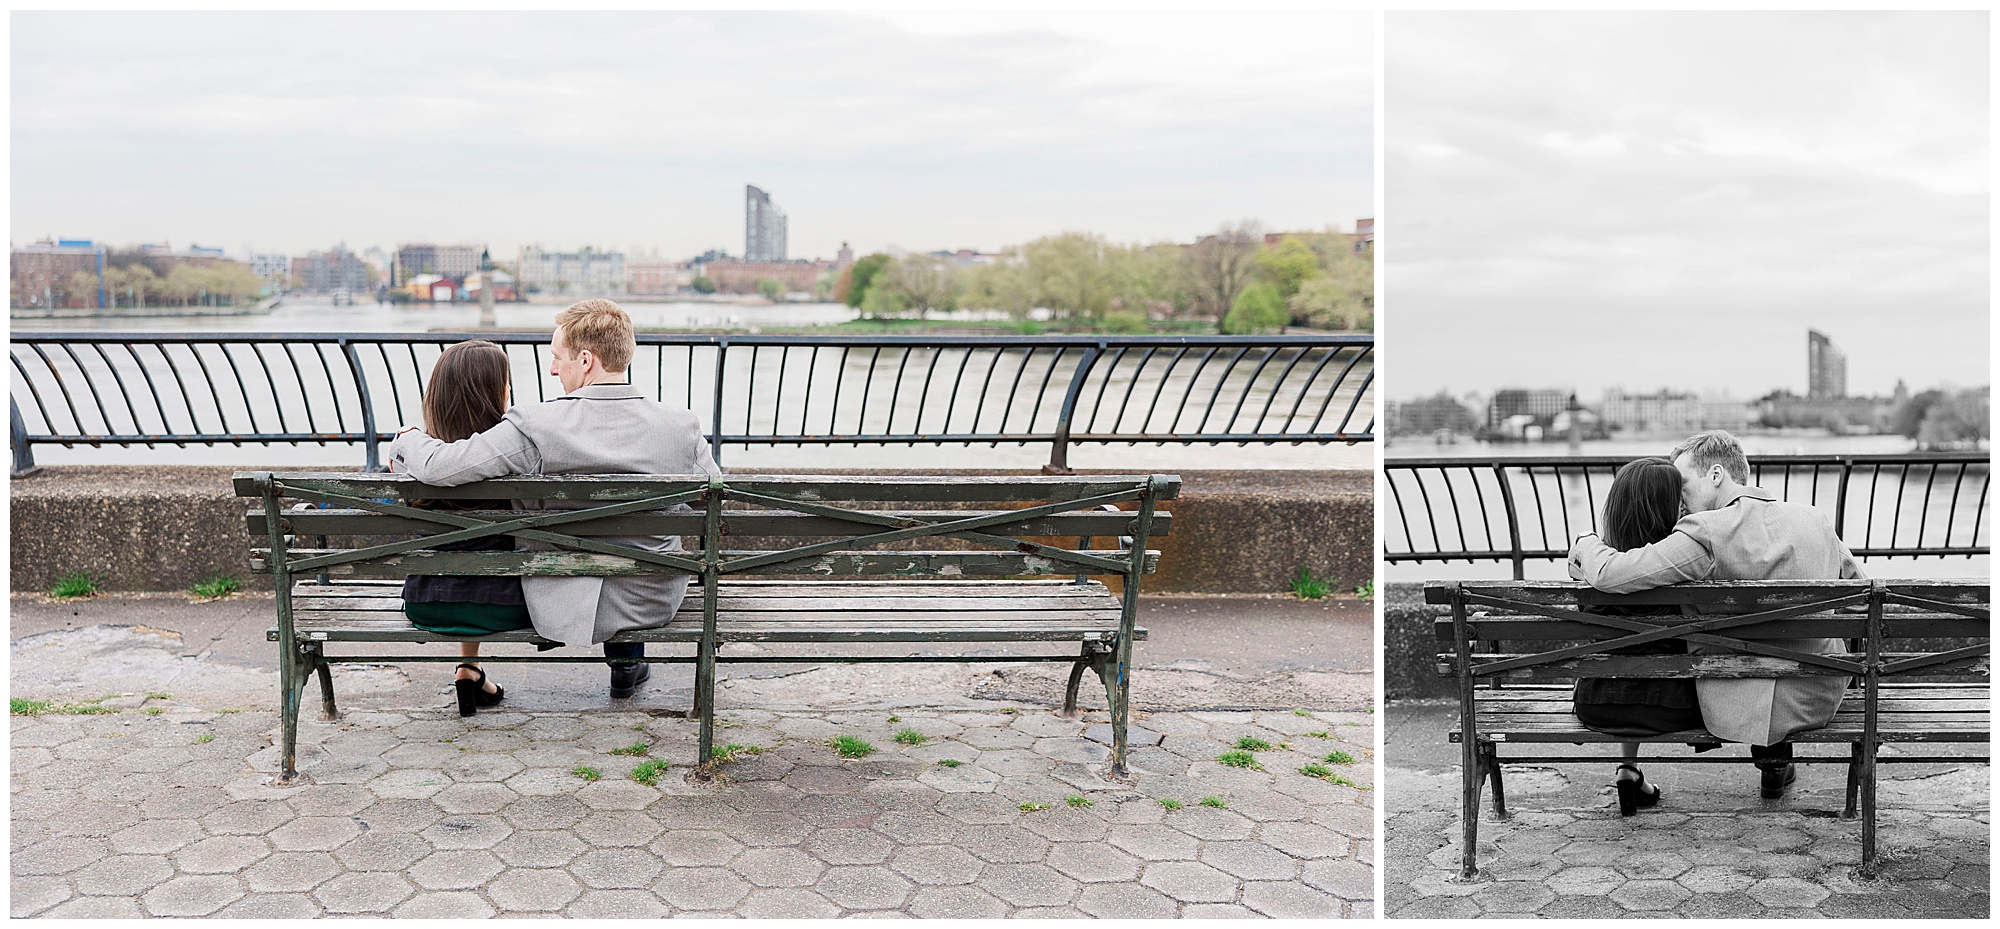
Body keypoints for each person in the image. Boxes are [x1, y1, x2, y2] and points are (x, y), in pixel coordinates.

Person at [391, 299, 721, 699]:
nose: (552, 369)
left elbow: (443, 467)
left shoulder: (536, 426)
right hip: (653, 599)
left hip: (562, 601)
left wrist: (407, 439)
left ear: (585, 360)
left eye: (557, 357)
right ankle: (627, 662)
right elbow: (712, 502)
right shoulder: (681, 425)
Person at [1569, 430, 1861, 799]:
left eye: (1684, 483)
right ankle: (1775, 763)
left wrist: (1586, 542)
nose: (1679, 498)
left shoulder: (1704, 532)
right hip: (1817, 696)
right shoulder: (1813, 520)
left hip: (1734, 702)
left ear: (1716, 474)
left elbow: (1613, 573)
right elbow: (1860, 593)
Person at [397, 340, 532, 716]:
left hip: (428, 605)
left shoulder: (413, 461)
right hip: (507, 607)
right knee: (483, 563)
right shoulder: (514, 463)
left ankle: (468, 669)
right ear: (493, 394)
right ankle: (469, 671)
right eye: (505, 384)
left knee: (459, 559)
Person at [1570, 457, 1705, 815]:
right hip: (1675, 710)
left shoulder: (1594, 570)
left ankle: (1628, 769)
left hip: (1597, 706)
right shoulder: (1685, 570)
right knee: (1650, 669)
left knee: (1626, 663)